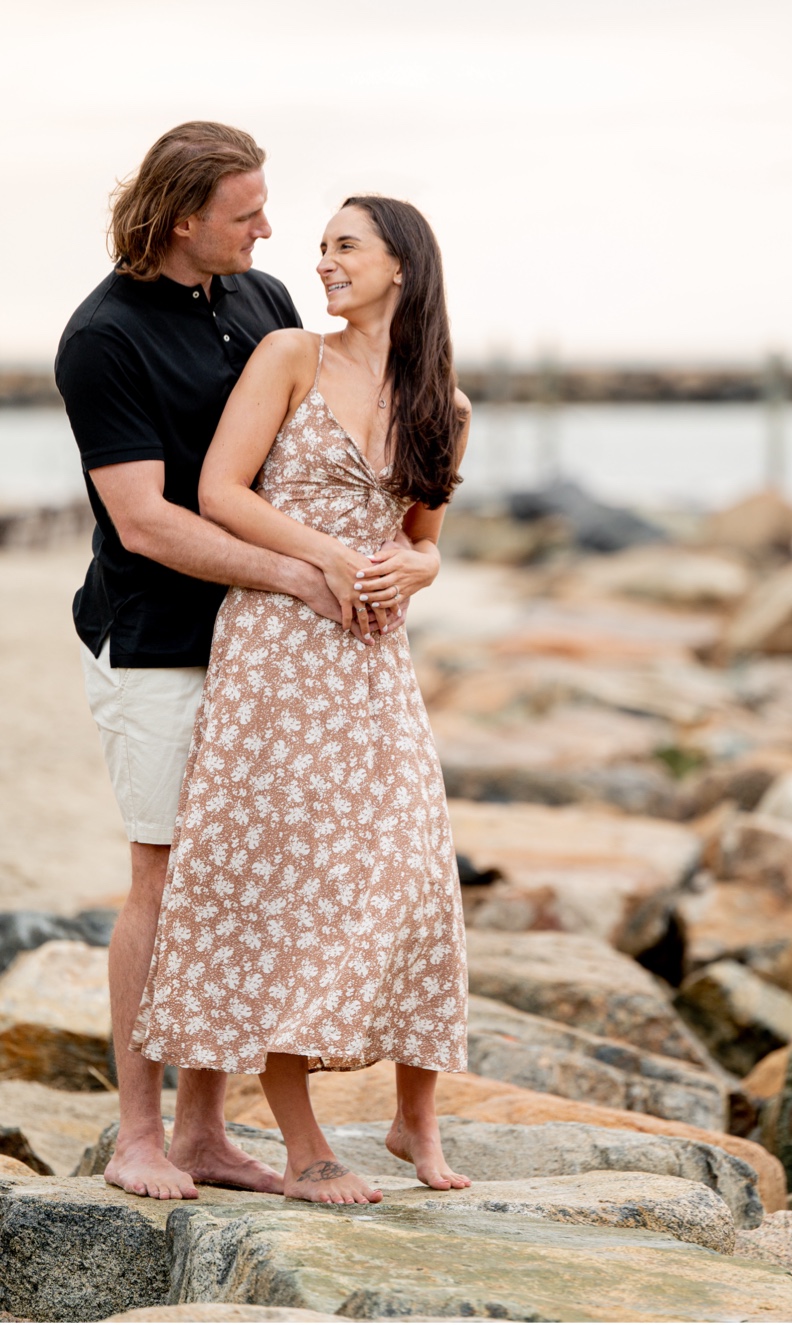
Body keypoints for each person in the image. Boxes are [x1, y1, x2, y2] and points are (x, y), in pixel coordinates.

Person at [130, 194, 472, 1204]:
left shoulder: (443, 404)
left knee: (416, 871)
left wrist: (415, 572)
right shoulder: (289, 355)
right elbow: (220, 493)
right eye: (321, 247)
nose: (322, 261)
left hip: (372, 661)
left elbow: (427, 540)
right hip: (278, 644)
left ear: (401, 265)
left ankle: (417, 1118)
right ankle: (306, 1145)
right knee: (292, 883)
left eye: (344, 246)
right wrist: (325, 553)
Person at [56, 121, 359, 1201]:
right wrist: (291, 577)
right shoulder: (104, 337)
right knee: (166, 872)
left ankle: (205, 1129)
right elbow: (143, 520)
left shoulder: (262, 300)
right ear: (183, 217)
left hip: (256, 647)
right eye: (246, 212)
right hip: (154, 642)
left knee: (234, 879)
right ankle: (138, 1132)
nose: (271, 228)